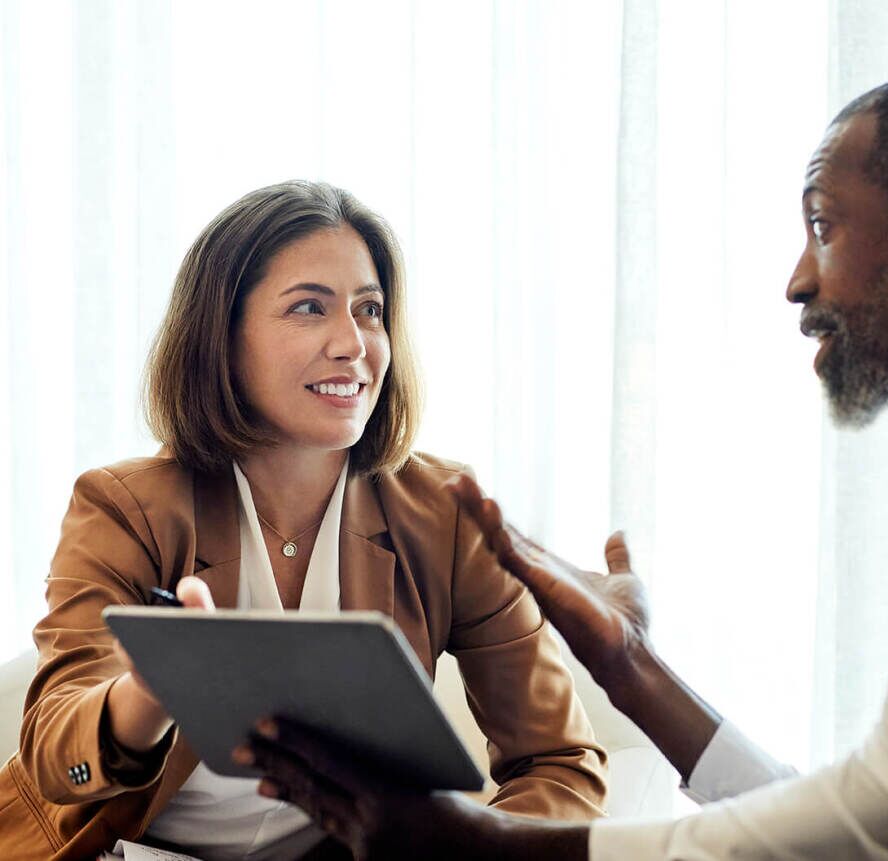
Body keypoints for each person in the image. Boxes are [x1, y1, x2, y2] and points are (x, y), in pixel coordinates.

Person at [239, 72, 888, 859]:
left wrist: (498, 850)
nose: (799, 279)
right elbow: (882, 825)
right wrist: (634, 671)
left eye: (823, 226)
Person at [0, 181, 607, 860]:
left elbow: (559, 761)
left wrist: (468, 852)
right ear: (222, 337)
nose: (353, 342)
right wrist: (150, 691)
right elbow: (59, 759)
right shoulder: (124, 506)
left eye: (370, 309)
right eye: (310, 307)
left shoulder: (446, 514)